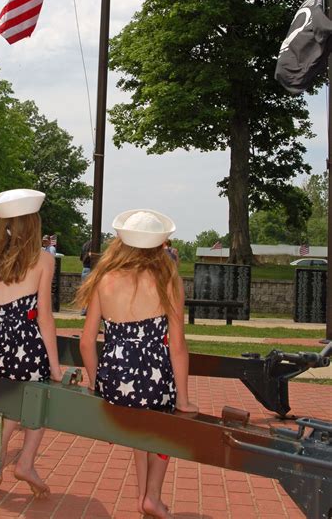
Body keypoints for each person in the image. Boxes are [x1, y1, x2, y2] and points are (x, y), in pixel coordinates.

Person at [78, 208, 198, 519]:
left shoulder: (103, 279)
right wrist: (183, 400)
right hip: (154, 380)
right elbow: (179, 347)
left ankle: (143, 495)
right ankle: (153, 497)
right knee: (164, 427)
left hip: (115, 381)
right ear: (160, 247)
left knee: (140, 425)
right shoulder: (167, 281)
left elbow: (87, 341)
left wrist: (96, 382)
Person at [0, 188, 63, 496]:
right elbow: (44, 318)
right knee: (39, 398)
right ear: (32, 223)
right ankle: (26, 463)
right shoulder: (43, 261)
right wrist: (56, 368)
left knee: (13, 400)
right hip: (25, 347)